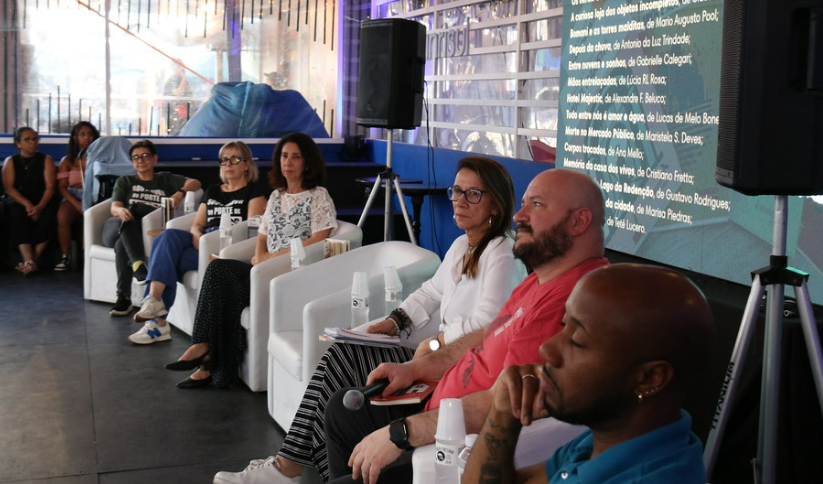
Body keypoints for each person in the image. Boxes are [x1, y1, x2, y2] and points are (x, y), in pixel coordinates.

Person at [214, 156, 528, 483]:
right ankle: (298, 466)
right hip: (433, 355)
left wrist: (435, 343)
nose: (460, 201)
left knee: (342, 361)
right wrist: (394, 321)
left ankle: (290, 467)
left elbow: (489, 324)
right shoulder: (463, 244)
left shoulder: (502, 253)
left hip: (456, 367)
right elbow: (430, 292)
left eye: (473, 194)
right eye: (457, 191)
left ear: (496, 204)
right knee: (342, 359)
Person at [463, 264, 716, 484]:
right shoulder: (606, 440)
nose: (547, 349)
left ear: (649, 378)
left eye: (577, 341)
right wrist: (505, 412)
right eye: (564, 325)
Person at [164, 132, 337, 389]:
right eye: (284, 156)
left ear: (308, 163)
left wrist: (270, 258)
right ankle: (204, 348)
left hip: (291, 273)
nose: (288, 162)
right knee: (218, 269)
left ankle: (208, 361)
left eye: (296, 157)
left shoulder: (318, 195)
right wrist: (259, 255)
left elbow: (319, 240)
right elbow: (262, 234)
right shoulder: (277, 195)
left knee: (227, 284)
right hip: (264, 268)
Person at [127, 141, 269, 344]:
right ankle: (154, 300)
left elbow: (251, 232)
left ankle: (158, 323)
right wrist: (196, 235)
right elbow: (197, 224)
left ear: (247, 164)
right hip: (202, 241)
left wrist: (206, 242)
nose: (228, 164)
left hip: (225, 248)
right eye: (224, 160)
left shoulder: (255, 192)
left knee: (168, 257)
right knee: (166, 237)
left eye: (235, 159)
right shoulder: (213, 190)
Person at [103, 140, 202, 317]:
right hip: (118, 226)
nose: (140, 160)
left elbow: (195, 183)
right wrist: (121, 211)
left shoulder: (164, 179)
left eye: (145, 156)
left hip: (142, 233)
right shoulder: (125, 181)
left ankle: (124, 297)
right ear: (132, 162)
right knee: (128, 221)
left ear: (154, 158)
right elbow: (114, 207)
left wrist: (180, 193)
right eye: (135, 158)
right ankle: (137, 264)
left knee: (122, 244)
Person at [2, 127, 57, 276]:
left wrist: (40, 206)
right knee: (17, 214)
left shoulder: (46, 160)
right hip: (19, 200)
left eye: (35, 139)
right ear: (18, 143)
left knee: (48, 216)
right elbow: (9, 188)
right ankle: (29, 261)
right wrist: (27, 204)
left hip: (42, 200)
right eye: (27, 139)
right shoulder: (11, 161)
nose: (33, 142)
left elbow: (50, 187)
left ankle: (32, 262)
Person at [54, 121, 101, 270]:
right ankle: (65, 256)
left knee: (92, 217)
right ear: (75, 137)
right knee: (62, 217)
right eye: (82, 134)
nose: (87, 137)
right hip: (73, 195)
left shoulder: (101, 158)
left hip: (94, 195)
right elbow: (62, 188)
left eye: (90, 134)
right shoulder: (67, 161)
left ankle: (89, 257)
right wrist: (77, 204)